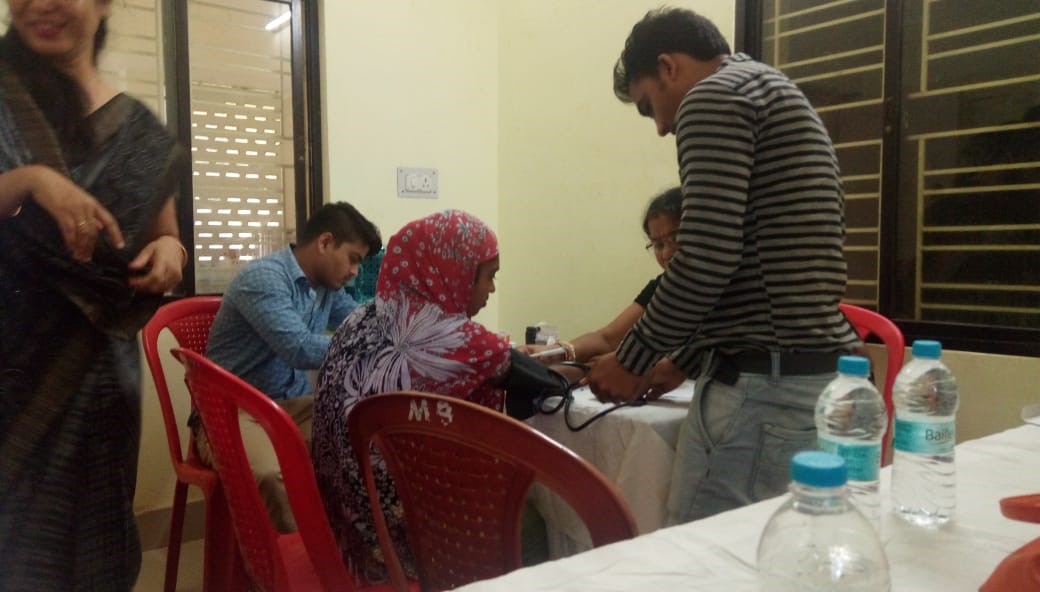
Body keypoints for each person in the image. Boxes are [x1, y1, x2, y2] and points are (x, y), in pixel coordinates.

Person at [587, 8, 861, 523]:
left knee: (700, 552)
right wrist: (685, 360)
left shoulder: (711, 97)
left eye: (649, 107)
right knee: (782, 551)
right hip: (810, 380)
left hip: (763, 390)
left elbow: (707, 258)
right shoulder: (767, 86)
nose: (662, 127)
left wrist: (632, 360)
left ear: (668, 67)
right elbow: (758, 258)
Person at [0, 0, 187, 589]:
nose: (41, 4)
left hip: (99, 380)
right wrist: (30, 181)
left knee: (92, 555)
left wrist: (170, 254)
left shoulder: (139, 132)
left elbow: (166, 237)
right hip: (10, 376)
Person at [312, 209, 512, 582]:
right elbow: (519, 370)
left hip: (343, 523)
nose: (492, 289)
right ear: (456, 273)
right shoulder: (457, 341)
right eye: (489, 276)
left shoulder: (363, 315)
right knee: (532, 513)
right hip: (402, 538)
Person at [199, 201, 381, 533]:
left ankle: (348, 549)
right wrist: (368, 349)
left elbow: (360, 324)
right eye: (353, 258)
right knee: (271, 475)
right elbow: (298, 348)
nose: (355, 271)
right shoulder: (264, 278)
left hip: (291, 406)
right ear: (325, 242)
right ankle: (294, 561)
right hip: (231, 411)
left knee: (364, 443)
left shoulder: (328, 287)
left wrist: (402, 333)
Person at [521, 186, 687, 395]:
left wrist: (615, 368)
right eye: (658, 245)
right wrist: (552, 353)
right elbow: (608, 339)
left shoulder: (712, 291)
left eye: (675, 239)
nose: (666, 253)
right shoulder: (660, 288)